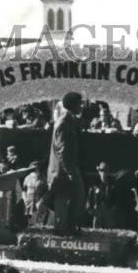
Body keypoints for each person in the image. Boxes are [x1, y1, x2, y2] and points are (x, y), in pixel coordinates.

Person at [47, 92, 86, 235]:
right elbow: (62, 151)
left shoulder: (69, 121)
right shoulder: (64, 123)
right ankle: (63, 235)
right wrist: (70, 172)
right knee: (64, 204)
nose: (82, 106)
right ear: (73, 105)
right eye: (80, 104)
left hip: (65, 169)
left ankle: (68, 231)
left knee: (73, 201)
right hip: (62, 171)